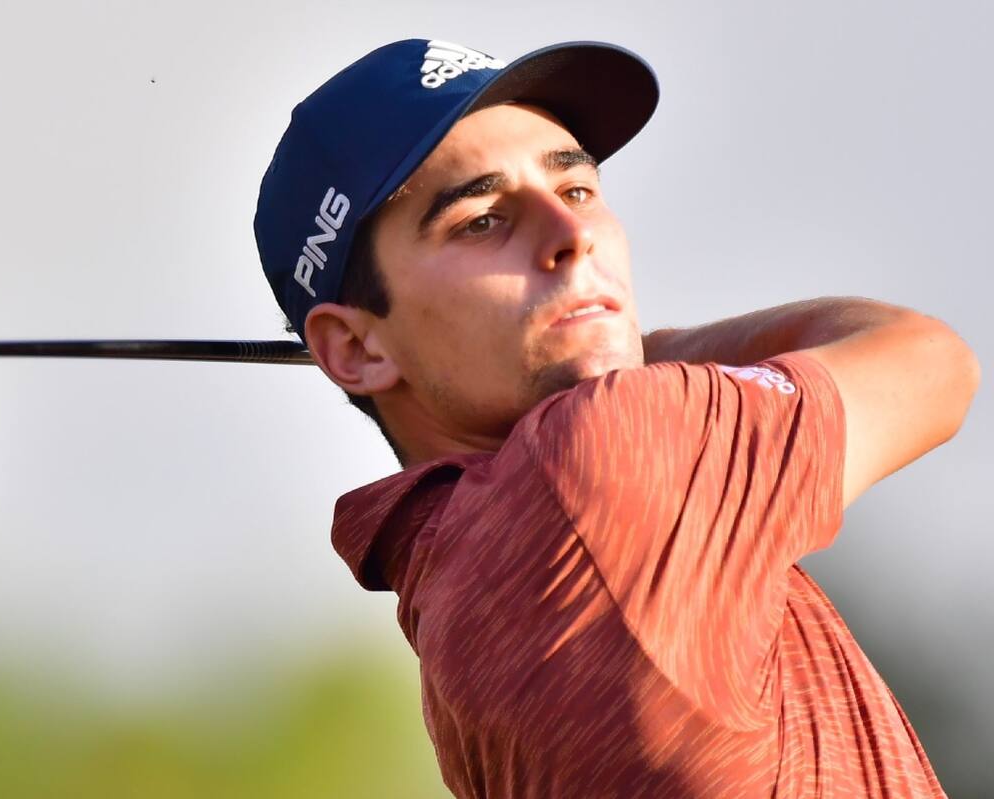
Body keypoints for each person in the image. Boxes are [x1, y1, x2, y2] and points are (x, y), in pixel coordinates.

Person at [253, 39, 980, 798]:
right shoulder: (603, 450)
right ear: (356, 348)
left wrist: (607, 349)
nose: (574, 236)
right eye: (482, 221)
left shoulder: (449, 594)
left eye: (575, 189)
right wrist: (652, 352)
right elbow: (931, 362)